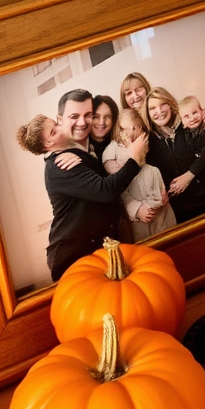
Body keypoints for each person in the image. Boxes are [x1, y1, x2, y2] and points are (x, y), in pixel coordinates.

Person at [15, 89, 147, 281]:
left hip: (96, 248)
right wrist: (135, 159)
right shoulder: (60, 166)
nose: (61, 128)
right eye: (54, 131)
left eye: (56, 123)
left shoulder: (75, 151)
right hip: (73, 255)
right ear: (47, 145)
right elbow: (105, 190)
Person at [147, 88, 205, 223]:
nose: (159, 111)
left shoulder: (187, 121)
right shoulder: (149, 138)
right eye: (152, 108)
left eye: (163, 104)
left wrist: (189, 175)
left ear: (170, 104)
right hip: (180, 206)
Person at [102, 109, 175, 240]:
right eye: (124, 129)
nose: (130, 132)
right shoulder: (114, 147)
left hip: (151, 189)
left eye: (135, 128)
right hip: (131, 193)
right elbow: (111, 168)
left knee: (166, 231)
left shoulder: (146, 140)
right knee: (142, 236)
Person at [88, 95, 119, 162]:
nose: (102, 122)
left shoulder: (119, 143)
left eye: (107, 117)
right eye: (96, 117)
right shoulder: (80, 146)